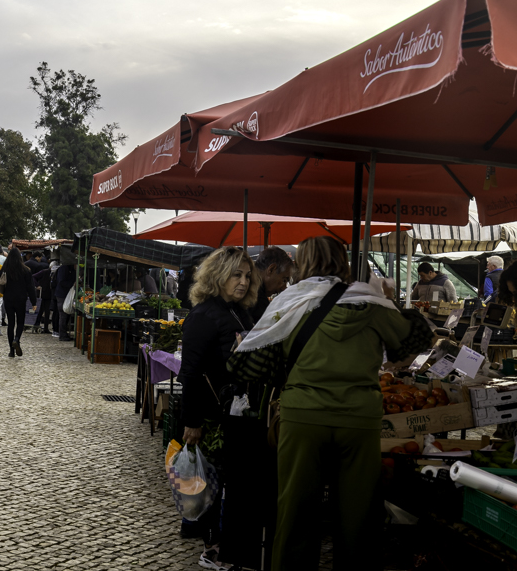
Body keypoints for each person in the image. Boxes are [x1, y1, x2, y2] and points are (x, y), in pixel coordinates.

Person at [228, 236, 434, 571]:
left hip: (302, 417)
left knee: (295, 514)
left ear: (304, 262)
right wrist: (389, 301)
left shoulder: (289, 302)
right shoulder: (371, 303)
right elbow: (415, 339)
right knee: (359, 517)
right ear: (344, 260)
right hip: (359, 421)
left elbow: (254, 361)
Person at [178, 246, 259, 568]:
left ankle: (226, 545)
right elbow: (191, 373)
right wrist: (192, 421)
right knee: (208, 484)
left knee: (225, 483)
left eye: (247, 275)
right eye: (236, 274)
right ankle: (211, 549)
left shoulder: (238, 311)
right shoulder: (203, 315)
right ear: (218, 275)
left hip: (232, 412)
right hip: (210, 417)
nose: (243, 281)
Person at [0, 248, 38, 358]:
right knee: (20, 322)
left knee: (11, 324)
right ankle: (17, 339)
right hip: (21, 299)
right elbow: (31, 288)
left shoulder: (5, 268)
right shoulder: (26, 270)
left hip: (8, 299)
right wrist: (34, 302)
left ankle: (11, 351)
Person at [251, 247, 294, 322]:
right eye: (284, 280)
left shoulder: (253, 292)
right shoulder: (255, 299)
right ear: (271, 269)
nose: (284, 288)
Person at [53, 250, 76, 340]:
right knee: (63, 314)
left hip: (65, 294)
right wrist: (72, 284)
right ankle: (62, 334)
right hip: (61, 295)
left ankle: (63, 333)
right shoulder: (63, 269)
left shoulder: (70, 269)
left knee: (66, 314)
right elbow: (61, 282)